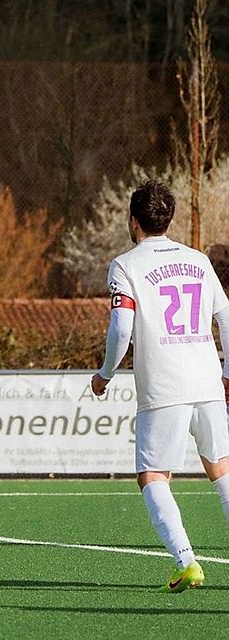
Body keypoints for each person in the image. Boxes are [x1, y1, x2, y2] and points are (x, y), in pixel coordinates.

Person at [91, 179, 229, 593]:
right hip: (206, 381)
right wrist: (227, 373)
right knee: (221, 470)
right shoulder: (199, 261)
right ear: (169, 219)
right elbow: (228, 319)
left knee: (152, 476)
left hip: (163, 388)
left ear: (133, 221)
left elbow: (122, 326)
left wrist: (105, 373)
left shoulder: (126, 265)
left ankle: (186, 561)